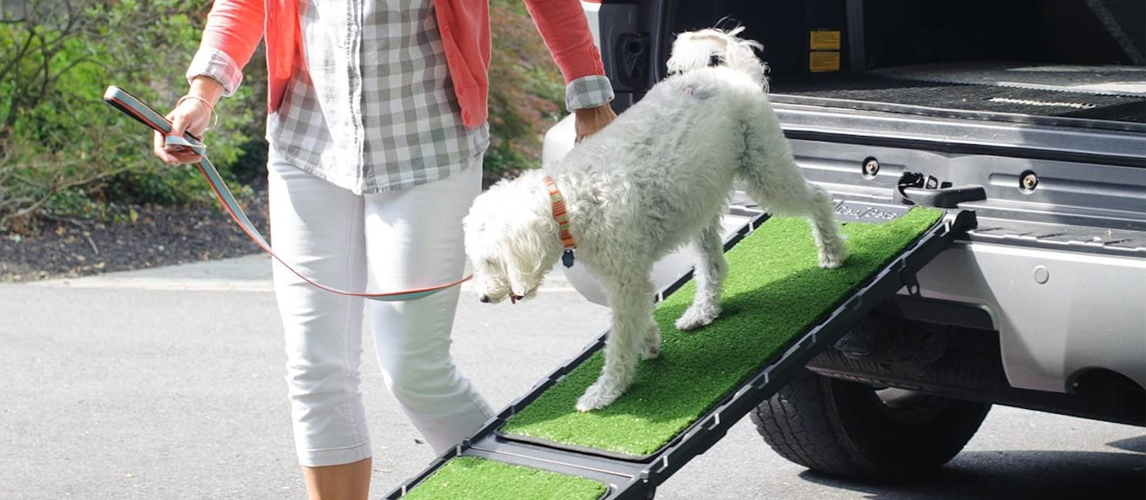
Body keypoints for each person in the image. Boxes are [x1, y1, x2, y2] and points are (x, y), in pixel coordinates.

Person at [152, 1, 616, 498]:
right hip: (307, 143)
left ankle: (536, 492)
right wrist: (203, 93)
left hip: (430, 147)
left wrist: (588, 94)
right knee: (315, 368)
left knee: (416, 372)